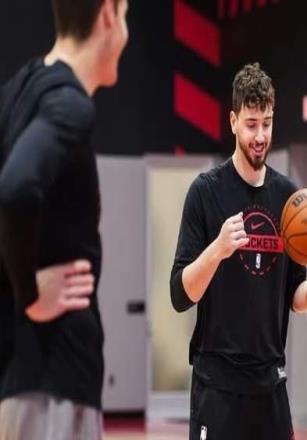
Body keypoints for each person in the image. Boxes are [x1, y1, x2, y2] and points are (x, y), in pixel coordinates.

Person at [170, 62, 307, 440]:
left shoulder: (289, 199)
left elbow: (293, 294)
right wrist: (217, 249)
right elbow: (180, 295)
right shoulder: (205, 192)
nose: (260, 135)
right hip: (218, 387)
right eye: (251, 124)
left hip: (270, 385)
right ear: (233, 122)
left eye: (267, 123)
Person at [0, 0, 128, 438]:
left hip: (21, 375)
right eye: (125, 17)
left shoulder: (17, 92)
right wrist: (30, 295)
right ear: (108, 15)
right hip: (56, 378)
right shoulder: (68, 104)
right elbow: (16, 187)